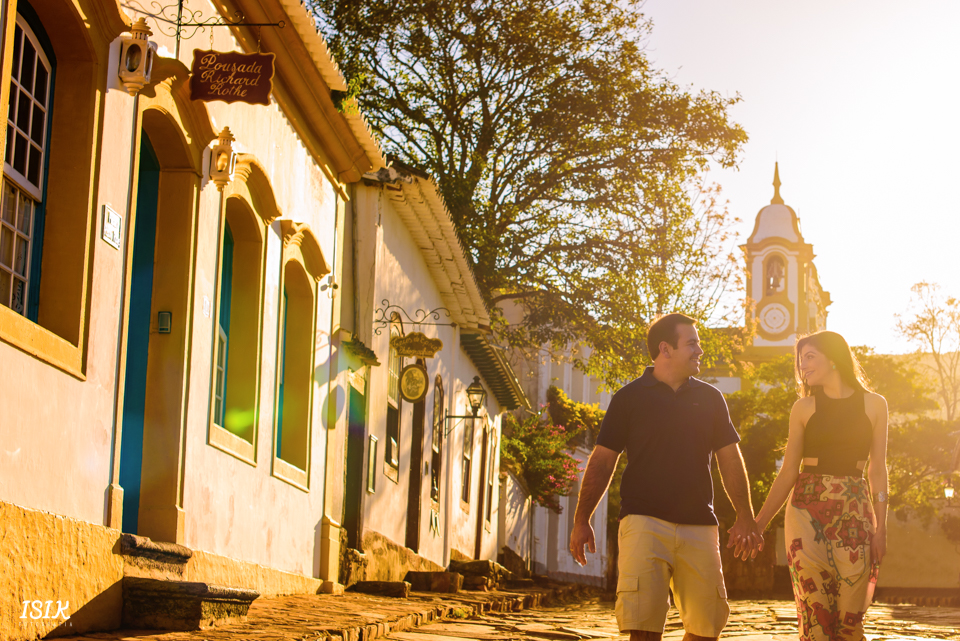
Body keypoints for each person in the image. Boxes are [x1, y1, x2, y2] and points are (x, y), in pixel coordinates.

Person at [569, 313, 763, 641]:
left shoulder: (711, 399)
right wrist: (581, 518)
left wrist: (745, 514)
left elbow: (730, 460)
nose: (700, 350)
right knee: (643, 630)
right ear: (666, 349)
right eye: (692, 343)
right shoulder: (628, 398)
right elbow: (603, 462)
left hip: (700, 525)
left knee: (707, 629)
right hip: (643, 522)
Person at [753, 331, 889, 641]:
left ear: (834, 359)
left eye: (810, 357)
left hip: (855, 512)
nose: (803, 367)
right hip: (804, 511)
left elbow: (877, 470)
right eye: (801, 361)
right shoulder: (803, 408)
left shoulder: (875, 405)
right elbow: (789, 471)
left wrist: (881, 528)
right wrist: (759, 523)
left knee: (850, 617)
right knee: (814, 612)